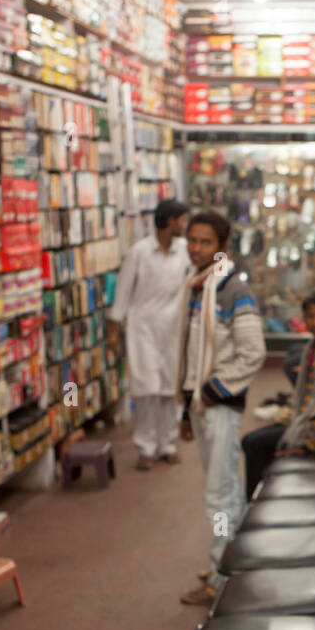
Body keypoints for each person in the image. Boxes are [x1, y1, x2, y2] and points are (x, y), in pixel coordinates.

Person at [176, 210, 265, 606]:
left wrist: (214, 390)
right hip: (202, 404)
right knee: (224, 487)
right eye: (192, 241)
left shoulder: (232, 290)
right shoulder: (197, 286)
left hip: (220, 405)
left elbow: (253, 352)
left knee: (220, 493)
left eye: (205, 242)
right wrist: (187, 405)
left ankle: (218, 575)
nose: (196, 248)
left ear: (222, 246)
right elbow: (191, 352)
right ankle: (230, 560)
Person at [241, 290, 315, 496]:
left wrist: (307, 446)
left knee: (254, 443)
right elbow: (305, 398)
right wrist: (286, 419)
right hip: (307, 420)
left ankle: (251, 505)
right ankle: (258, 499)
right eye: (310, 316)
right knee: (252, 439)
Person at [106, 200, 191, 468]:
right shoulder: (139, 252)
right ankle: (145, 447)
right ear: (170, 221)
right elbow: (123, 293)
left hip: (174, 328)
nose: (185, 226)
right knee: (145, 390)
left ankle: (169, 443)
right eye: (182, 220)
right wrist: (113, 329)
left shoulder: (185, 251)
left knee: (170, 389)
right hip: (142, 328)